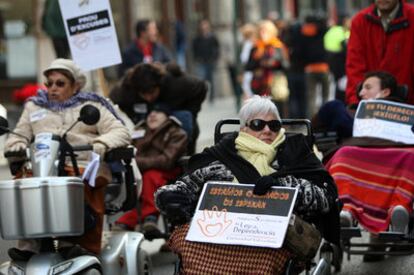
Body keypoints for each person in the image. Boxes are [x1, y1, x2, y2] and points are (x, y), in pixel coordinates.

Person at [154, 96, 340, 274]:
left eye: (274, 125)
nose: (267, 130)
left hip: (271, 236)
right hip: (217, 233)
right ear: (243, 129)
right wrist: (170, 197)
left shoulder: (294, 152)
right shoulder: (220, 157)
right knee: (187, 239)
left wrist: (281, 186)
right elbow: (183, 187)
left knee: (265, 256)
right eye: (258, 124)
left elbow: (325, 196)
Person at [4, 58, 131, 261]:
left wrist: (102, 142)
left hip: (83, 164)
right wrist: (15, 146)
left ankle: (77, 245)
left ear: (76, 86)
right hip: (42, 167)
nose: (52, 88)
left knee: (81, 182)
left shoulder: (92, 104)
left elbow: (121, 131)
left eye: (60, 83)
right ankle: (29, 246)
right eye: (49, 83)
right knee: (21, 184)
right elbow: (18, 134)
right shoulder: (34, 107)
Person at [115, 104, 188, 236]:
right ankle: (132, 218)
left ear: (167, 117)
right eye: (150, 113)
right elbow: (131, 153)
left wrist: (139, 161)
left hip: (169, 171)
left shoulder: (177, 132)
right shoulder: (140, 132)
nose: (152, 115)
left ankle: (149, 217)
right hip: (142, 171)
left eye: (158, 112)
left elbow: (167, 160)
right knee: (132, 180)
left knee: (151, 176)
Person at [110, 63, 207, 154]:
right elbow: (115, 99)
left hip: (176, 116)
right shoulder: (126, 90)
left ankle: (185, 157)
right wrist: (135, 118)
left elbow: (202, 87)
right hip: (146, 117)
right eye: (144, 94)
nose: (149, 97)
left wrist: (190, 111)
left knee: (184, 116)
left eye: (152, 92)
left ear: (159, 85)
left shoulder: (175, 83)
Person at [346, 0, 414, 106]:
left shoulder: (412, 18)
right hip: (368, 108)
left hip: (407, 108)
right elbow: (354, 68)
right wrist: (356, 104)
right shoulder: (360, 22)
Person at [313, 71, 405, 141]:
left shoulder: (403, 117)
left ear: (385, 92)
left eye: (368, 88)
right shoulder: (348, 111)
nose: (360, 93)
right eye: (361, 89)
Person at [245, 20, 290, 117]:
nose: (262, 34)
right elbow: (248, 66)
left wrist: (274, 63)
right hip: (259, 85)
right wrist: (260, 64)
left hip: (275, 84)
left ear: (271, 32)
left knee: (277, 110)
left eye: (265, 31)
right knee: (261, 112)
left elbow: (286, 65)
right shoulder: (256, 47)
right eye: (260, 31)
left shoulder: (277, 46)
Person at [192, 19, 220, 103]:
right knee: (201, 79)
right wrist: (197, 58)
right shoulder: (197, 38)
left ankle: (212, 97)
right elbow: (194, 49)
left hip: (210, 61)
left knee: (211, 79)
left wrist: (214, 58)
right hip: (201, 61)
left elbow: (216, 48)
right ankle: (202, 97)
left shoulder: (212, 37)